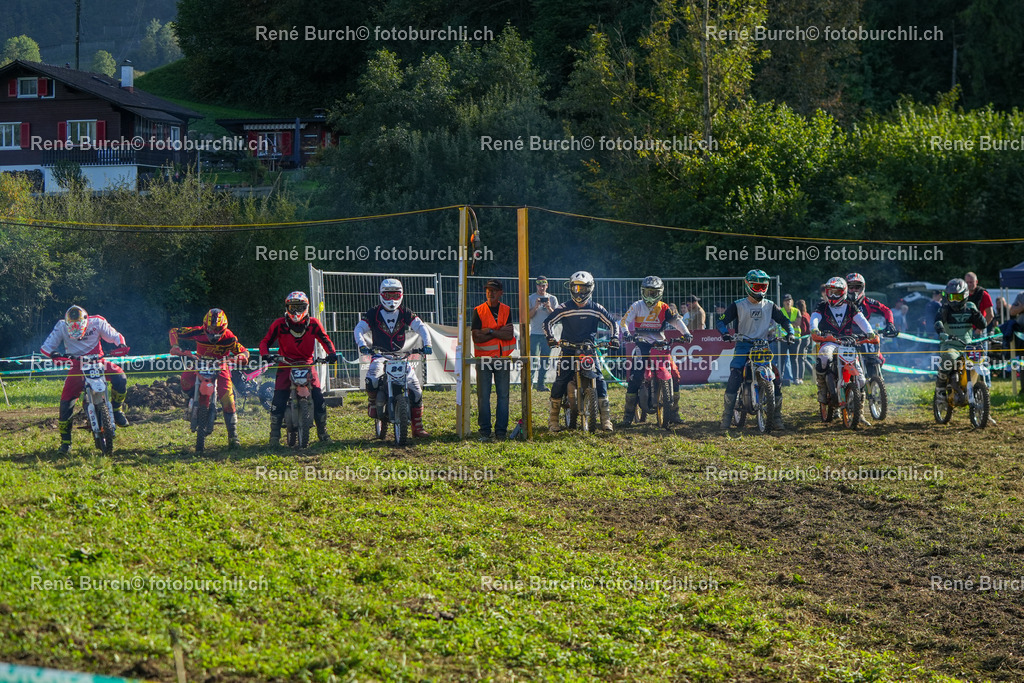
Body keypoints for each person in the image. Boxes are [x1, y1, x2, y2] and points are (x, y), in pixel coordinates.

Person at [40, 305, 130, 454]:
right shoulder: (61, 326)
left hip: (98, 361)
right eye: (72, 329)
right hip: (76, 365)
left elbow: (114, 335)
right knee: (66, 401)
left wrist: (120, 344)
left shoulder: (97, 322)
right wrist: (54, 354)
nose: (76, 332)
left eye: (79, 328)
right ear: (68, 323)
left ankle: (117, 409)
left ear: (85, 322)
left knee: (120, 377)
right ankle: (66, 442)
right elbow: (46, 347)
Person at [716, 269, 795, 430]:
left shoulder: (770, 305)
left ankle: (777, 416)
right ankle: (727, 416)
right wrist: (725, 334)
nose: (760, 290)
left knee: (776, 377)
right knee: (736, 373)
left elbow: (785, 321)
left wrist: (791, 333)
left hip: (763, 345)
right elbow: (720, 321)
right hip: (743, 344)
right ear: (748, 285)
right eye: (756, 286)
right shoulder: (738, 305)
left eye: (763, 287)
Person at [354, 278, 433, 438]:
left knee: (416, 390)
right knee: (372, 379)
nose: (391, 300)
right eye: (387, 295)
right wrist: (362, 345)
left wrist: (428, 343)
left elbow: (421, 326)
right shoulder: (373, 313)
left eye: (395, 295)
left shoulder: (405, 312)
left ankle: (417, 427)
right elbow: (359, 328)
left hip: (401, 356)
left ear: (401, 295)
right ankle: (372, 401)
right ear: (381, 295)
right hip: (379, 355)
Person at [543, 271, 620, 432]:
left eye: (583, 288)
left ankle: (606, 419)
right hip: (568, 349)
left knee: (599, 379)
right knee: (560, 380)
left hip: (588, 350)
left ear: (590, 289)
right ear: (571, 288)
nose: (579, 292)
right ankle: (553, 419)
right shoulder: (564, 307)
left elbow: (613, 323)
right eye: (575, 288)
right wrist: (550, 338)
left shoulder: (596, 308)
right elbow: (548, 322)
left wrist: (615, 338)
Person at [259, 291, 339, 446]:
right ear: (287, 307)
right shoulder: (279, 324)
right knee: (279, 398)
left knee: (319, 398)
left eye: (300, 307)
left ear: (306, 307)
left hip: (307, 364)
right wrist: (265, 354)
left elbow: (325, 339)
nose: (296, 311)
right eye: (292, 307)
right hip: (286, 364)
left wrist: (332, 353)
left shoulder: (314, 323)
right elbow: (266, 341)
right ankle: (274, 436)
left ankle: (323, 433)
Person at [169, 308, 250, 449]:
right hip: (199, 362)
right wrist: (175, 346)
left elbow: (244, 351)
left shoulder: (229, 337)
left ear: (224, 327)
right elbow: (174, 331)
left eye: (217, 328)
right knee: (185, 380)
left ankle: (233, 436)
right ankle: (189, 399)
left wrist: (237, 358)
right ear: (205, 326)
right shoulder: (198, 331)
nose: (213, 332)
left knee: (227, 397)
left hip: (220, 365)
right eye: (211, 328)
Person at [619, 276, 692, 426]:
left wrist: (686, 333)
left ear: (660, 292)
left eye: (654, 293)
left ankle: (674, 413)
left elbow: (677, 321)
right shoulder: (637, 306)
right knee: (636, 377)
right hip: (642, 344)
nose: (650, 296)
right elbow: (624, 321)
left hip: (660, 345)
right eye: (647, 292)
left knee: (675, 375)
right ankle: (628, 415)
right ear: (642, 291)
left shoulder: (665, 307)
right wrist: (626, 333)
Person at [809, 277, 878, 412]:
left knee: (861, 379)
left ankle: (860, 412)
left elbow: (861, 320)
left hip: (847, 342)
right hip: (828, 340)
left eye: (836, 292)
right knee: (823, 359)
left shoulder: (851, 306)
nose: (833, 295)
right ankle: (822, 389)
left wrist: (870, 332)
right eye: (830, 292)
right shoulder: (822, 305)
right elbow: (815, 317)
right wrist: (814, 328)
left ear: (844, 292)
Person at [472, 279, 516, 440]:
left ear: (500, 293)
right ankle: (484, 431)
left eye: (494, 290)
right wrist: (498, 331)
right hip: (483, 359)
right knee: (484, 396)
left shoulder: (506, 310)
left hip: (502, 358)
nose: (490, 293)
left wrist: (489, 331)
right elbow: (476, 337)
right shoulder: (478, 310)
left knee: (503, 396)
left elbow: (509, 334)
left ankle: (500, 432)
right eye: (488, 290)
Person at [934, 278, 987, 411]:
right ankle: (940, 389)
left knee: (980, 362)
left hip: (968, 345)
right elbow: (938, 321)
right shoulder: (945, 308)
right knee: (949, 359)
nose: (955, 300)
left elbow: (982, 325)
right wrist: (941, 332)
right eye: (951, 297)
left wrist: (976, 313)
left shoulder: (970, 307)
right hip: (949, 344)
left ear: (965, 295)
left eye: (958, 297)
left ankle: (983, 400)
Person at [527, 276, 557, 391]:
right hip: (534, 333)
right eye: (539, 285)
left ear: (547, 285)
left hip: (548, 334)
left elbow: (556, 317)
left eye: (543, 285)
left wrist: (548, 307)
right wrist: (535, 307)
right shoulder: (531, 298)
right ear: (536, 286)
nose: (541, 288)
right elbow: (528, 316)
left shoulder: (552, 299)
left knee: (545, 360)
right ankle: (529, 384)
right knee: (532, 360)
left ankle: (541, 384)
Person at [776, 294, 801, 385]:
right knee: (782, 359)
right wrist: (790, 323)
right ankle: (780, 378)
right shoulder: (780, 311)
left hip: (796, 338)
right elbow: (778, 323)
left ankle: (796, 378)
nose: (788, 302)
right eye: (786, 300)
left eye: (790, 300)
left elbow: (798, 323)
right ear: (783, 302)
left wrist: (785, 323)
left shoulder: (796, 311)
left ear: (792, 301)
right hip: (783, 338)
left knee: (794, 359)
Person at [795, 299, 812, 384]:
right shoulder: (807, 314)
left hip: (803, 338)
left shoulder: (801, 316)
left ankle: (800, 377)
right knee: (804, 358)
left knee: (800, 359)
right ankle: (813, 373)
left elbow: (804, 329)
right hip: (808, 338)